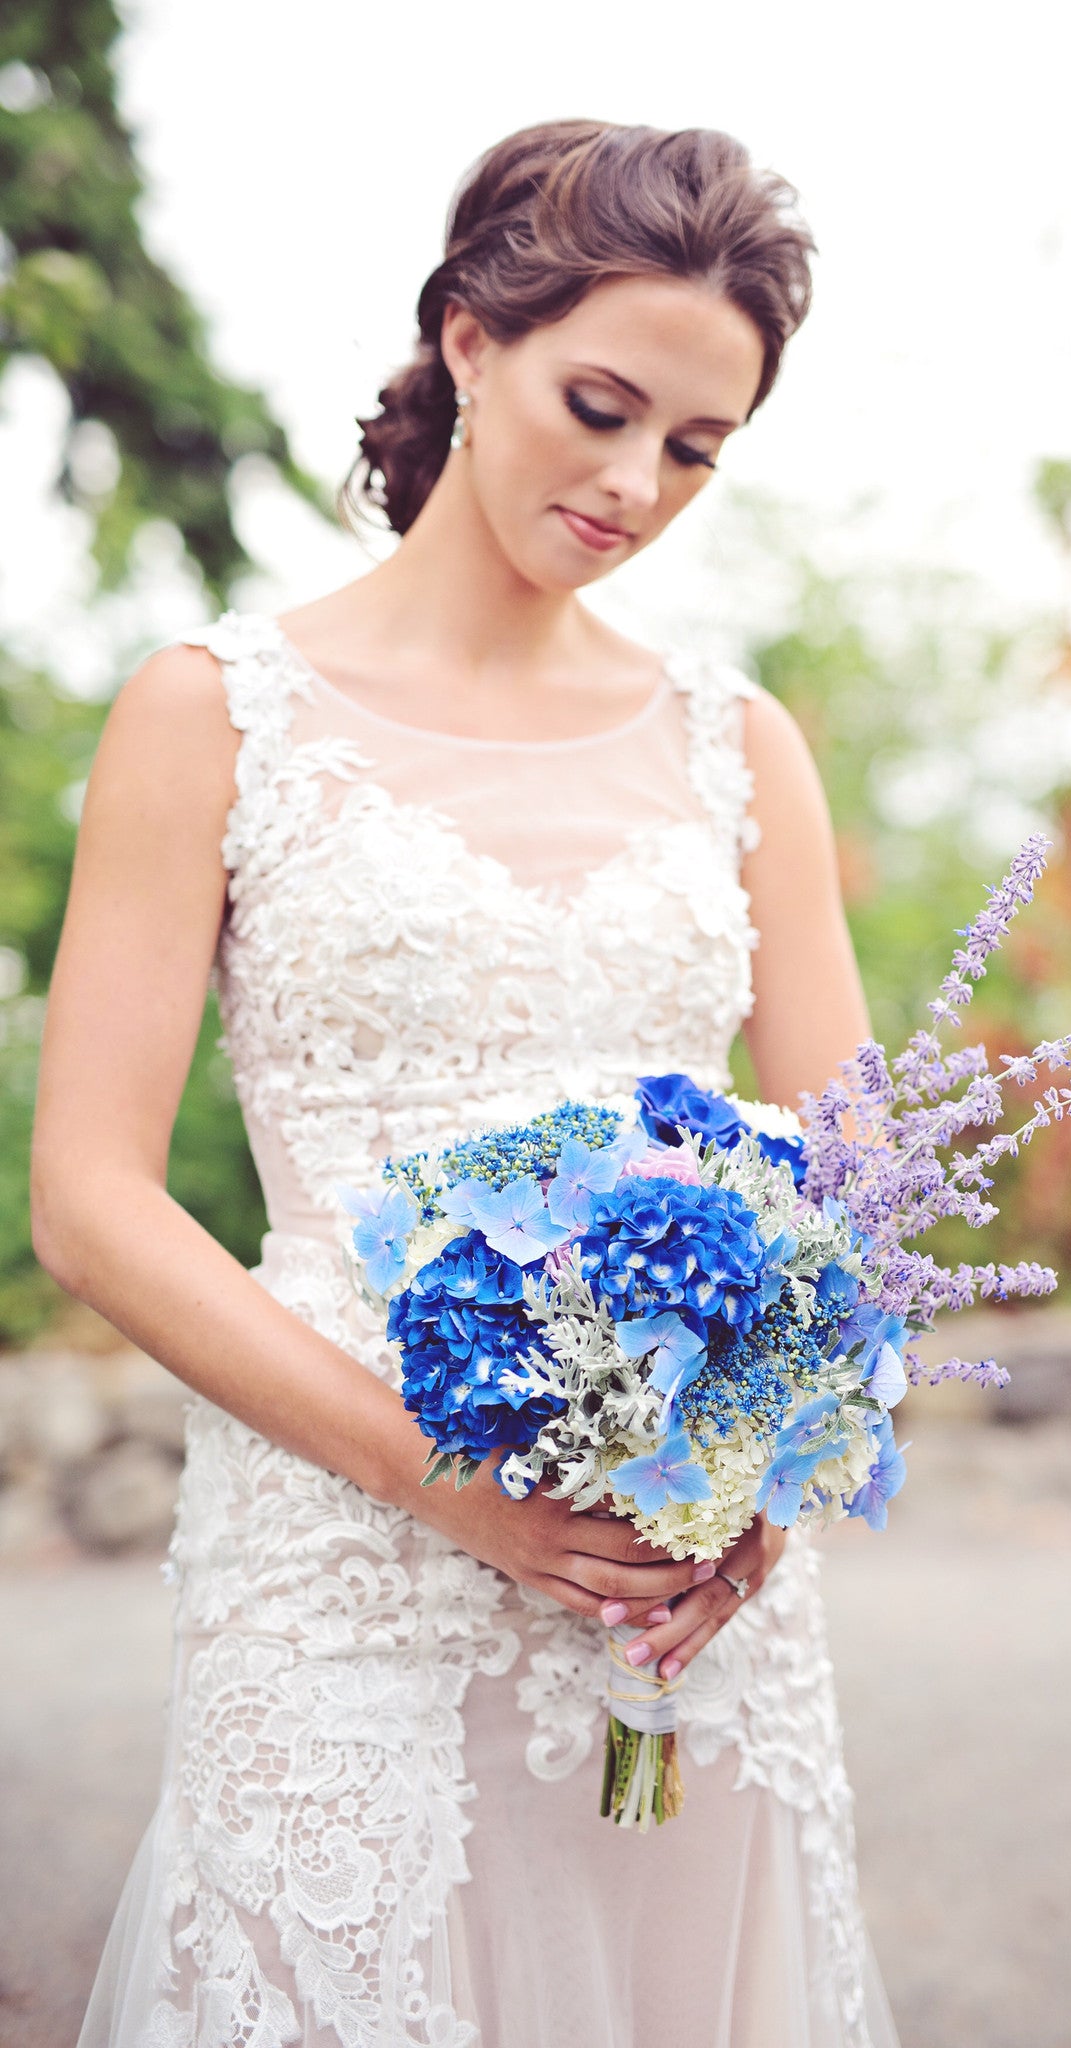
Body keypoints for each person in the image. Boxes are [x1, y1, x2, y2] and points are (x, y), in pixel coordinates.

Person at [32, 118, 901, 2047]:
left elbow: (859, 1194)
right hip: (342, 1557)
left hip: (675, 1592)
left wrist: (763, 1484)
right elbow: (87, 1204)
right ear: (468, 337)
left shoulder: (737, 744)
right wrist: (459, 1495)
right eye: (600, 405)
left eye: (695, 448)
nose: (633, 483)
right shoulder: (214, 713)